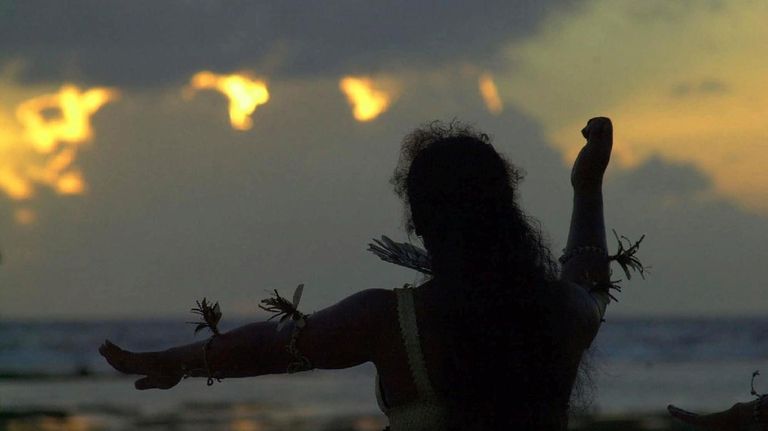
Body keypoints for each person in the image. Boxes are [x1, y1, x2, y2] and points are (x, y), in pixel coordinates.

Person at [100, 117, 619, 430]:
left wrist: (175, 361)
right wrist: (588, 186)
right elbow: (589, 277)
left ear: (419, 220)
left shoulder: (390, 321)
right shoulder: (561, 313)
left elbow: (271, 346)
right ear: (506, 211)